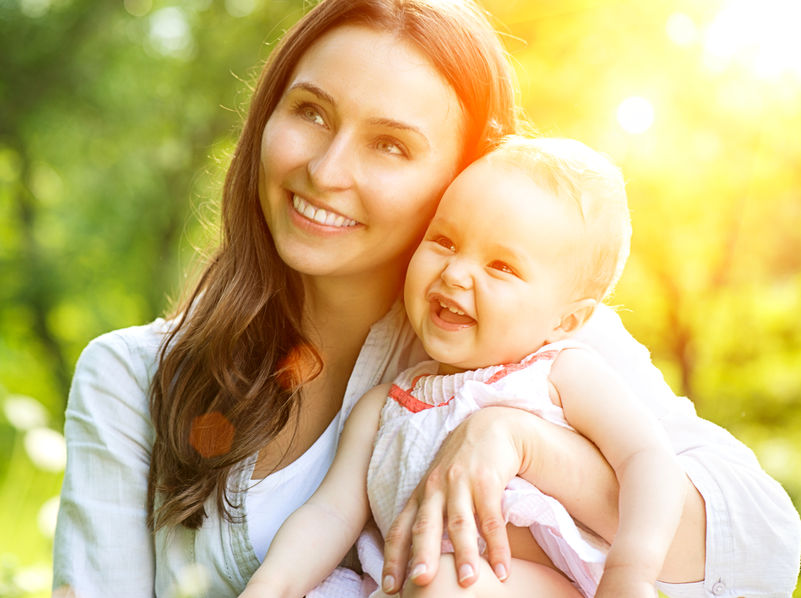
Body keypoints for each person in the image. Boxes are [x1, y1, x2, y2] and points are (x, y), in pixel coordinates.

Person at [51, 0, 801, 597]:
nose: (327, 169)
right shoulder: (134, 378)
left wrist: (521, 442)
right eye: (309, 111)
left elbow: (765, 548)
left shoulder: (537, 340)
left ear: (463, 171)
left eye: (391, 144)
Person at [239, 135, 687, 598]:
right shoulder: (382, 408)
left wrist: (629, 569)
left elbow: (649, 461)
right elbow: (329, 515)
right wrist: (271, 585)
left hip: (531, 585)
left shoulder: (558, 376)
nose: (455, 273)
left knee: (446, 581)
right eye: (444, 240)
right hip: (411, 586)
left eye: (501, 266)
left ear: (566, 320)